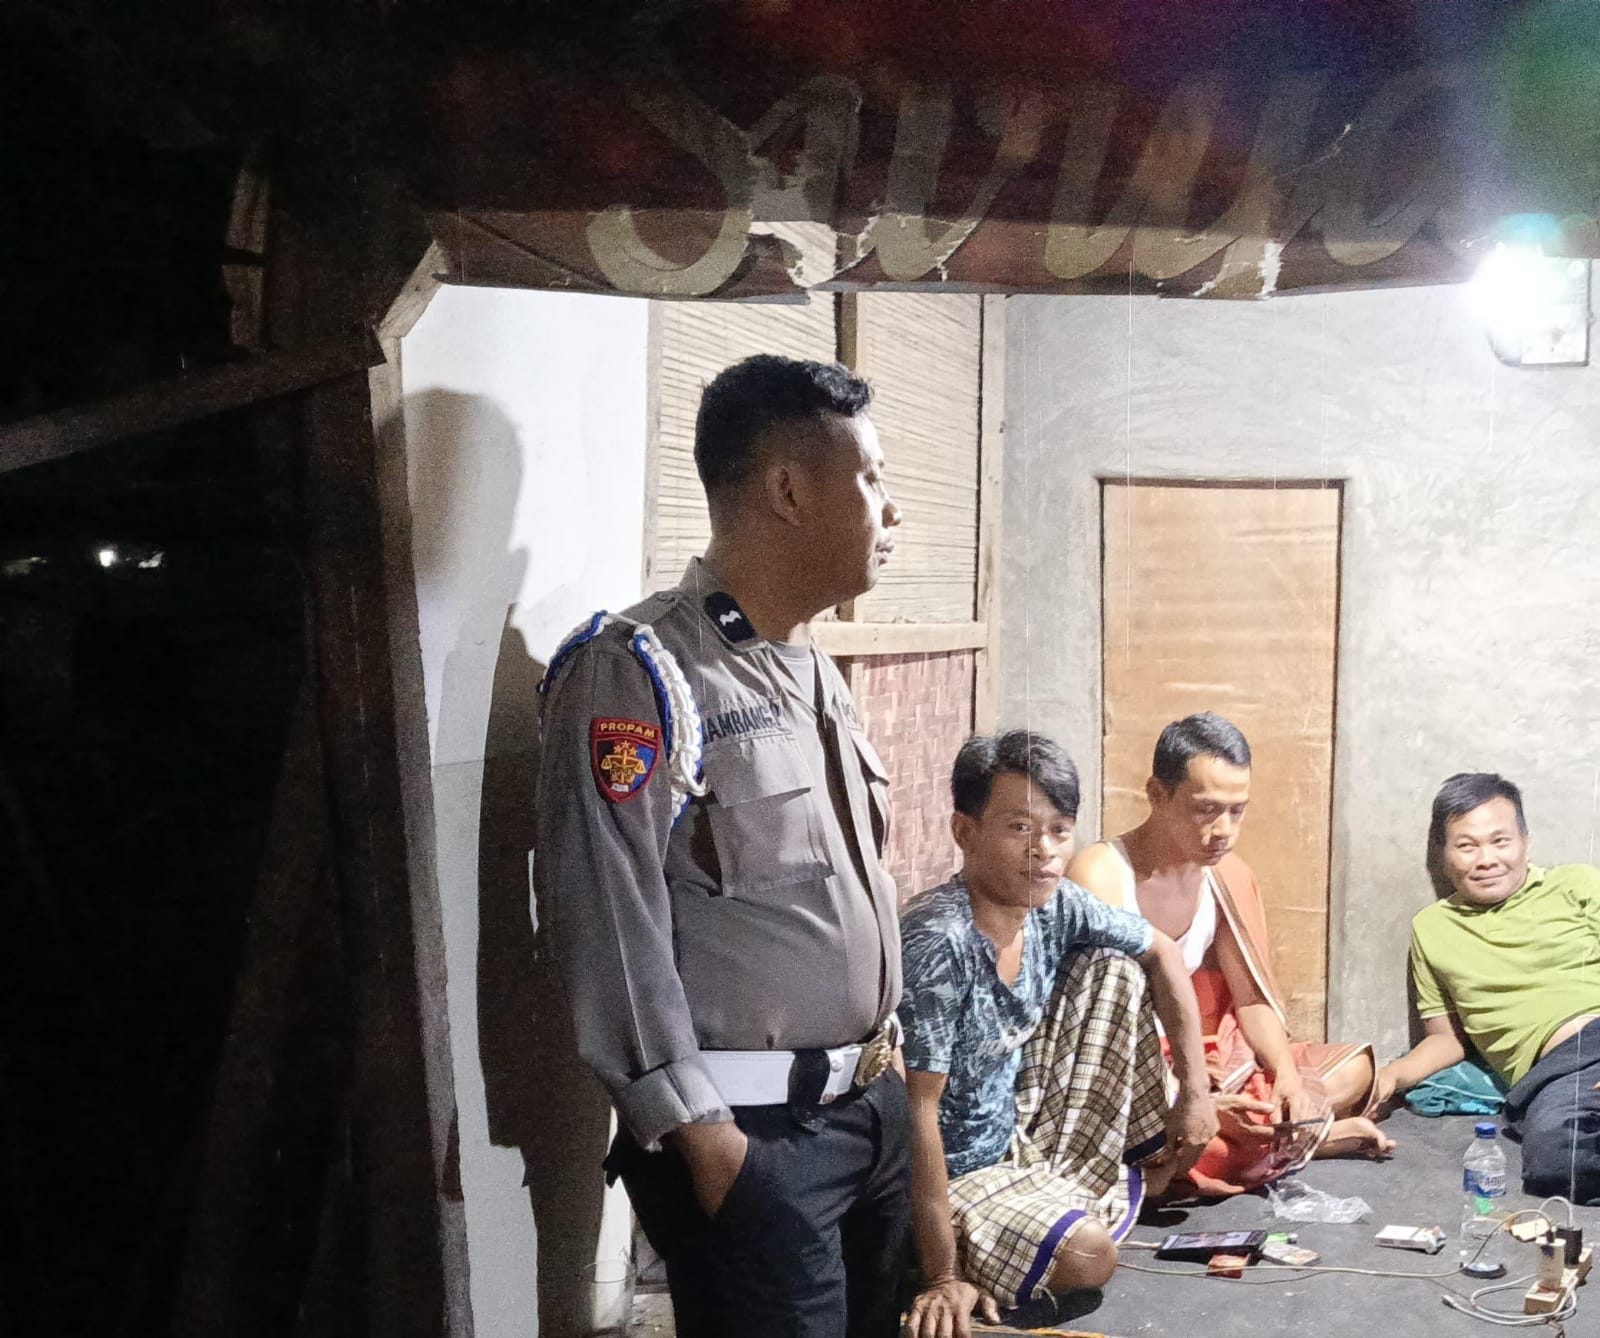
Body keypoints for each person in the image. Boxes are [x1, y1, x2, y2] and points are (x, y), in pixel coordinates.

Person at [534, 355, 908, 1336]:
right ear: (787, 490)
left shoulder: (809, 671)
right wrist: (703, 1137)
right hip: (754, 1138)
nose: (892, 510)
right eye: (871, 477)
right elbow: (605, 921)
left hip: (869, 1116)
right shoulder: (637, 670)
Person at [900, 731, 1218, 1338]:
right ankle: (942, 1256)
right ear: (964, 831)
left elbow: (1163, 952)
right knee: (1090, 1257)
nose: (1043, 850)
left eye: (1058, 829)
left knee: (1115, 967)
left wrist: (1195, 1093)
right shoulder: (939, 941)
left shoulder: (1055, 905)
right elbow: (918, 1113)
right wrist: (941, 1276)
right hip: (939, 1171)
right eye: (1019, 828)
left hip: (1016, 1131)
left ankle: (1046, 1210)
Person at [1069, 713, 1390, 1198]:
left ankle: (1265, 1133)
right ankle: (1293, 1140)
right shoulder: (1101, 874)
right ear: (1157, 795)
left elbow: (1252, 999)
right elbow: (1099, 1029)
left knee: (1353, 1071)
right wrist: (1191, 1092)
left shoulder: (1227, 874)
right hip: (1129, 1067)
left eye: (1237, 811)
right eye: (1206, 809)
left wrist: (1286, 1078)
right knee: (1175, 1130)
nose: (1224, 830)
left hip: (1204, 1054)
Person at [1378, 773, 1600, 1203]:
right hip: (1554, 1077)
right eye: (1467, 846)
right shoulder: (1432, 928)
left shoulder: (1576, 885)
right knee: (1558, 1160)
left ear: (1525, 843)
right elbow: (1446, 1039)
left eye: (1500, 842)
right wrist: (1391, 1076)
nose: (1486, 860)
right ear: (1443, 856)